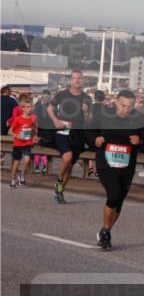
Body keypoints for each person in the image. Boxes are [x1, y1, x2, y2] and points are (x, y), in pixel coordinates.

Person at [87, 90, 144, 250]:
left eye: (129, 106)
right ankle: (106, 234)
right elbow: (88, 131)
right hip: (106, 163)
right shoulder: (103, 115)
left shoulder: (139, 118)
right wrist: (95, 139)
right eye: (122, 105)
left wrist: (140, 140)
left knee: (119, 202)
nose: (125, 109)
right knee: (113, 194)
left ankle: (105, 230)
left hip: (126, 165)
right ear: (115, 102)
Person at [48, 69, 93, 204]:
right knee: (67, 157)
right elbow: (49, 109)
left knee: (70, 166)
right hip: (62, 132)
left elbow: (89, 120)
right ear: (70, 80)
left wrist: (86, 113)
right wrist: (56, 121)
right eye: (74, 78)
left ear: (83, 80)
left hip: (77, 134)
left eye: (79, 78)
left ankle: (60, 191)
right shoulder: (62, 94)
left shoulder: (87, 98)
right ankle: (59, 182)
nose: (77, 80)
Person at [8, 94, 37, 187]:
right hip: (18, 143)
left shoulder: (32, 118)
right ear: (23, 108)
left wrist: (35, 135)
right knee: (16, 162)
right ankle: (13, 179)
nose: (30, 109)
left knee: (27, 160)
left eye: (31, 107)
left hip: (28, 143)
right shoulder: (18, 119)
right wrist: (17, 135)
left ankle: (22, 175)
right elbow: (9, 132)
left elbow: (34, 128)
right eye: (27, 107)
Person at [32, 91, 53, 174]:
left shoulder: (38, 105)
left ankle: (41, 165)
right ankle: (39, 165)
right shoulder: (39, 106)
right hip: (40, 129)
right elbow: (35, 119)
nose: (47, 98)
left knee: (41, 147)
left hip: (45, 130)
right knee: (40, 147)